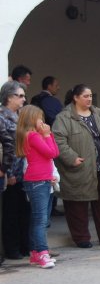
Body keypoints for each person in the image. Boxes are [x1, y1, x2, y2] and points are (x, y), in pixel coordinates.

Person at [52, 84, 100, 248]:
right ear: (75, 98)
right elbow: (58, 140)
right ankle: (81, 238)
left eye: (90, 95)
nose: (89, 99)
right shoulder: (64, 118)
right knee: (77, 204)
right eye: (85, 96)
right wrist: (72, 158)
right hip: (80, 169)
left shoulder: (99, 114)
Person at [16, 105, 58, 268]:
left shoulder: (32, 135)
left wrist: (48, 135)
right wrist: (47, 135)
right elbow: (51, 153)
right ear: (32, 118)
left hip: (41, 179)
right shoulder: (32, 136)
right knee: (40, 219)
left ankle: (35, 253)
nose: (42, 121)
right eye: (40, 118)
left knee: (37, 218)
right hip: (38, 180)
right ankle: (42, 252)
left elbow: (54, 152)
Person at [0, 80, 30, 260]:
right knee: (10, 213)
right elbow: (7, 147)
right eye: (20, 96)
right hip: (10, 173)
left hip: (24, 172)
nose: (23, 100)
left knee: (24, 211)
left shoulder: (20, 116)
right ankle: (12, 249)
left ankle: (24, 246)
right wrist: (8, 172)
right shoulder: (2, 116)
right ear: (9, 97)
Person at [30, 76, 65, 217]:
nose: (58, 87)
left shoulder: (34, 100)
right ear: (49, 86)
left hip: (36, 143)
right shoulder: (51, 101)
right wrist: (48, 134)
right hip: (47, 139)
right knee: (51, 172)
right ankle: (52, 207)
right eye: (56, 85)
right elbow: (59, 121)